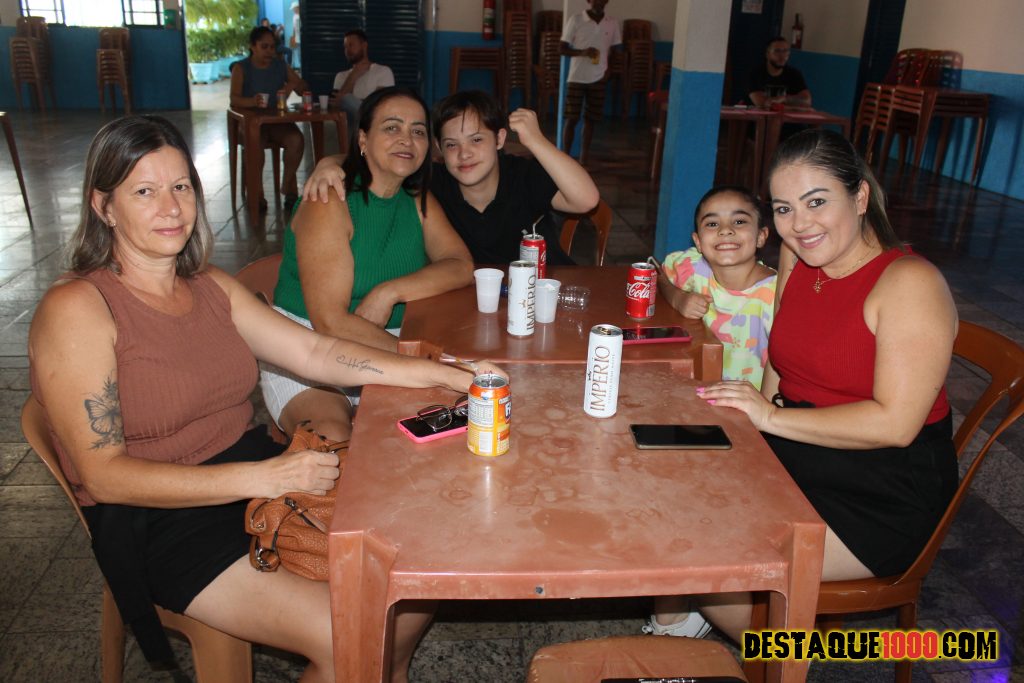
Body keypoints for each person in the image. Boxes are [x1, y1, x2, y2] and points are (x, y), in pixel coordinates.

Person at [27, 115, 494, 683]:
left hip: (253, 477)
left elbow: (316, 353)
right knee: (352, 632)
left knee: (418, 579)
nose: (171, 208)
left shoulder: (209, 287)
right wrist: (268, 477)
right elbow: (104, 477)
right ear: (104, 206)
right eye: (144, 192)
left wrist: (442, 375)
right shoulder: (78, 309)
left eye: (181, 186)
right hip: (158, 518)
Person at [656, 128, 959, 642]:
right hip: (798, 445)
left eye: (817, 202)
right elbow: (783, 361)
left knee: (695, 546)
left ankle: (772, 652)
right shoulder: (799, 258)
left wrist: (769, 418)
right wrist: (759, 423)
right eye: (784, 208)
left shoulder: (910, 282)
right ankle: (680, 627)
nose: (799, 225)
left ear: (860, 197)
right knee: (660, 486)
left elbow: (896, 424)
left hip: (880, 488)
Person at [261, 87, 474, 442]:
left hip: (387, 340)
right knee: (332, 438)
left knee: (447, 427)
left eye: (418, 131)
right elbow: (329, 321)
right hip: (308, 346)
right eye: (392, 127)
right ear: (363, 138)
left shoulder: (416, 200)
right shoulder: (330, 198)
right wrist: (419, 362)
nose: (407, 139)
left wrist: (389, 292)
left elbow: (460, 264)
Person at [303, 90, 601, 265]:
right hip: (473, 304)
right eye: (451, 145)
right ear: (438, 149)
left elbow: (586, 200)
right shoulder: (434, 184)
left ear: (499, 139)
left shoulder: (522, 175)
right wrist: (329, 162)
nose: (464, 154)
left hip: (544, 295)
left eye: (476, 140)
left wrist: (536, 140)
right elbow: (382, 164)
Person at [659, 186, 776, 390]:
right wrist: (678, 298)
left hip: (752, 401)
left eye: (739, 221)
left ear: (761, 236)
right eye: (712, 224)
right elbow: (659, 276)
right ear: (698, 242)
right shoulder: (693, 267)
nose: (725, 230)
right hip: (699, 389)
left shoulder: (776, 294)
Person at [230, 25, 308, 210]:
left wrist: (293, 85)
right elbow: (234, 99)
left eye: (272, 47)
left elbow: (302, 88)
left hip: (276, 122)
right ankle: (257, 195)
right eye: (264, 47)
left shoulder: (280, 65)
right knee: (255, 146)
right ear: (253, 46)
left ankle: (288, 186)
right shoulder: (241, 68)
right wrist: (253, 101)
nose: (269, 51)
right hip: (250, 123)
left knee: (296, 140)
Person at [559, 0, 621, 165]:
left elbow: (615, 50)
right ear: (588, 0)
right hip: (576, 77)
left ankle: (584, 157)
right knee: (571, 118)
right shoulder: (576, 19)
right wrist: (582, 52)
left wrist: (609, 70)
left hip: (599, 77)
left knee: (591, 119)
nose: (598, 2)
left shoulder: (612, 23)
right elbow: (562, 48)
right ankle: (565, 157)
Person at [331, 29, 395, 130]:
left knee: (348, 98)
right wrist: (353, 75)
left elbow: (380, 104)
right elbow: (336, 106)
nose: (347, 50)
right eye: (345, 47)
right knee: (346, 100)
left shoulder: (383, 71)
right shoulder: (341, 76)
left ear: (364, 46)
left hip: (375, 124)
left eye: (351, 45)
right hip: (349, 126)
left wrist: (350, 100)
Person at [748, 36, 811, 109]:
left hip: (785, 115)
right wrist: (795, 107)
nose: (782, 55)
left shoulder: (794, 74)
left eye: (785, 51)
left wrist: (784, 99)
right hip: (758, 116)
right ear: (767, 54)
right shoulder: (755, 74)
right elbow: (762, 104)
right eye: (777, 51)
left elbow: (807, 101)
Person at [289, 1, 301, 69]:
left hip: (302, 38)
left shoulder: (301, 15)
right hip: (297, 38)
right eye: (293, 9)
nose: (293, 10)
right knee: (298, 53)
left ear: (297, 7)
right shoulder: (294, 16)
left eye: (294, 8)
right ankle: (301, 67)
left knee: (302, 53)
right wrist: (293, 36)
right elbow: (294, 27)